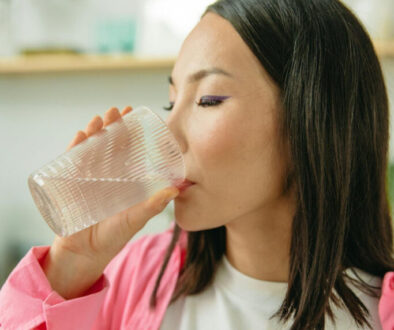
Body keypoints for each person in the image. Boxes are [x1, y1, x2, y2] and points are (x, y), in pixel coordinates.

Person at [1, 0, 394, 329]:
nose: (165, 134)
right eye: (171, 103)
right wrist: (71, 266)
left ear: (314, 118)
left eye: (208, 99)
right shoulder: (140, 278)